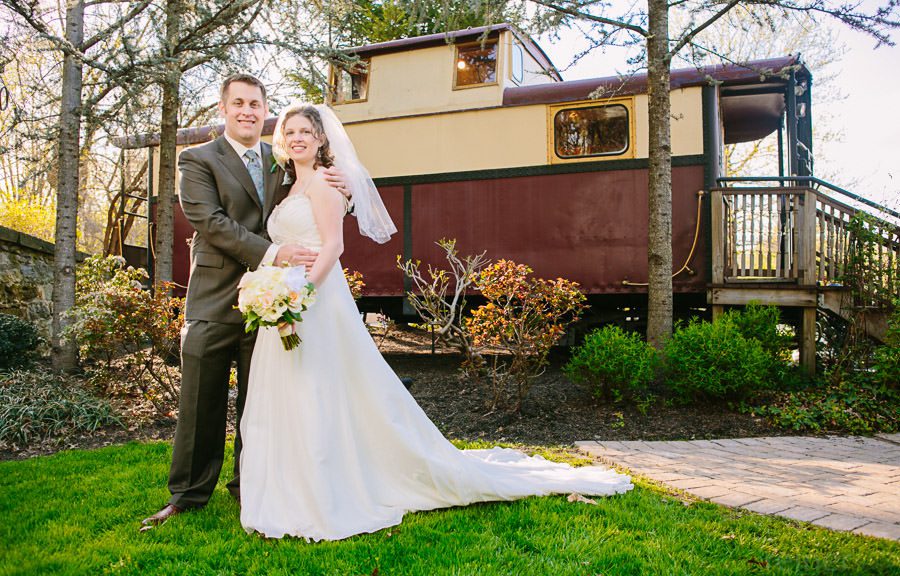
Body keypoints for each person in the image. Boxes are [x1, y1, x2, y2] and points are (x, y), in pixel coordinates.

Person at [238, 103, 633, 541]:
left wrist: (302, 293)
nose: (297, 138)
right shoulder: (290, 187)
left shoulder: (327, 185)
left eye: (306, 132)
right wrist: (275, 290)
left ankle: (323, 487)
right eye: (290, 131)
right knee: (291, 389)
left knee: (320, 388)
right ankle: (289, 484)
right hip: (286, 302)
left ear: (321, 139)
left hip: (313, 299)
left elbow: (333, 248)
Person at [141, 75, 352, 529]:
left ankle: (250, 485)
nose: (247, 111)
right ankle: (188, 495)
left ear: (264, 109)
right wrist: (274, 253)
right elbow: (209, 221)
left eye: (255, 104)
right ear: (223, 108)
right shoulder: (197, 159)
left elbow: (317, 201)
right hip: (215, 298)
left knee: (263, 401)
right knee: (201, 400)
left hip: (273, 304)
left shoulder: (282, 162)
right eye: (238, 103)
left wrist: (345, 191)